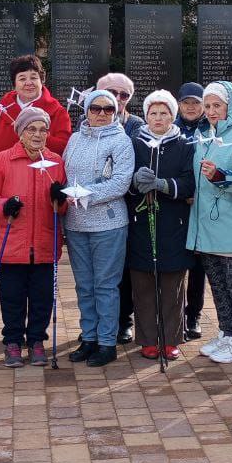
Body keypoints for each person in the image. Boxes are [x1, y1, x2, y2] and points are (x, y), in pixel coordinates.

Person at [0, 106, 67, 368]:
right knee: (12, 297)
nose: (38, 134)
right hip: (12, 245)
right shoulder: (3, 160)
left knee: (42, 298)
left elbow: (62, 207)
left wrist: (60, 199)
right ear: (20, 132)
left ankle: (37, 340)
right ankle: (13, 341)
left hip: (44, 244)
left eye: (43, 129)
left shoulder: (55, 162)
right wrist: (4, 205)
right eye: (31, 129)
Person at [188, 81, 232, 364]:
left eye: (217, 105)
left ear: (231, 106)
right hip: (207, 222)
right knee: (218, 283)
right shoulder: (204, 132)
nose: (211, 111)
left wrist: (219, 175)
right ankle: (227, 332)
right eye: (207, 106)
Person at [63, 89, 136, 367]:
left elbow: (120, 183)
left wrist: (83, 193)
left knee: (105, 285)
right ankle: (89, 337)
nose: (102, 114)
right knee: (84, 286)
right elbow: (64, 173)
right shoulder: (74, 139)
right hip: (76, 223)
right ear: (87, 111)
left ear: (115, 112)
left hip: (108, 223)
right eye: (96, 109)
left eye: (108, 109)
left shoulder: (121, 141)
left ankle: (107, 342)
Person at [127, 90, 196, 360]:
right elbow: (124, 181)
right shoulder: (135, 143)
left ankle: (170, 338)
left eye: (164, 113)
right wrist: (134, 182)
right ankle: (147, 338)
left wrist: (164, 185)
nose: (158, 118)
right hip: (141, 222)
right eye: (153, 113)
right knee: (143, 283)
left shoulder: (184, 145)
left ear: (172, 116)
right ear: (146, 116)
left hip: (173, 222)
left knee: (172, 284)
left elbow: (190, 183)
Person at [97, 71, 140, 343]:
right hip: (93, 209)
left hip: (128, 207)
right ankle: (96, 323)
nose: (118, 99)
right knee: (95, 273)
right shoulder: (85, 125)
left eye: (124, 95)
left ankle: (123, 320)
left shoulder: (136, 125)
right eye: (112, 93)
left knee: (122, 269)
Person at [0, 54, 73, 161]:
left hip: (41, 175)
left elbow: (65, 150)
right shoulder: (2, 112)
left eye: (34, 77)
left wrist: (39, 134)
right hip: (5, 176)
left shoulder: (58, 112)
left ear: (42, 80)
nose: (28, 83)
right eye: (22, 79)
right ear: (14, 83)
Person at [175, 82, 209, 339]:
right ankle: (170, 316)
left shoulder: (211, 129)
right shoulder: (170, 127)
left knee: (198, 268)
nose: (191, 107)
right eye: (186, 102)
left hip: (200, 206)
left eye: (196, 103)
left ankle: (193, 315)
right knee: (174, 265)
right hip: (175, 206)